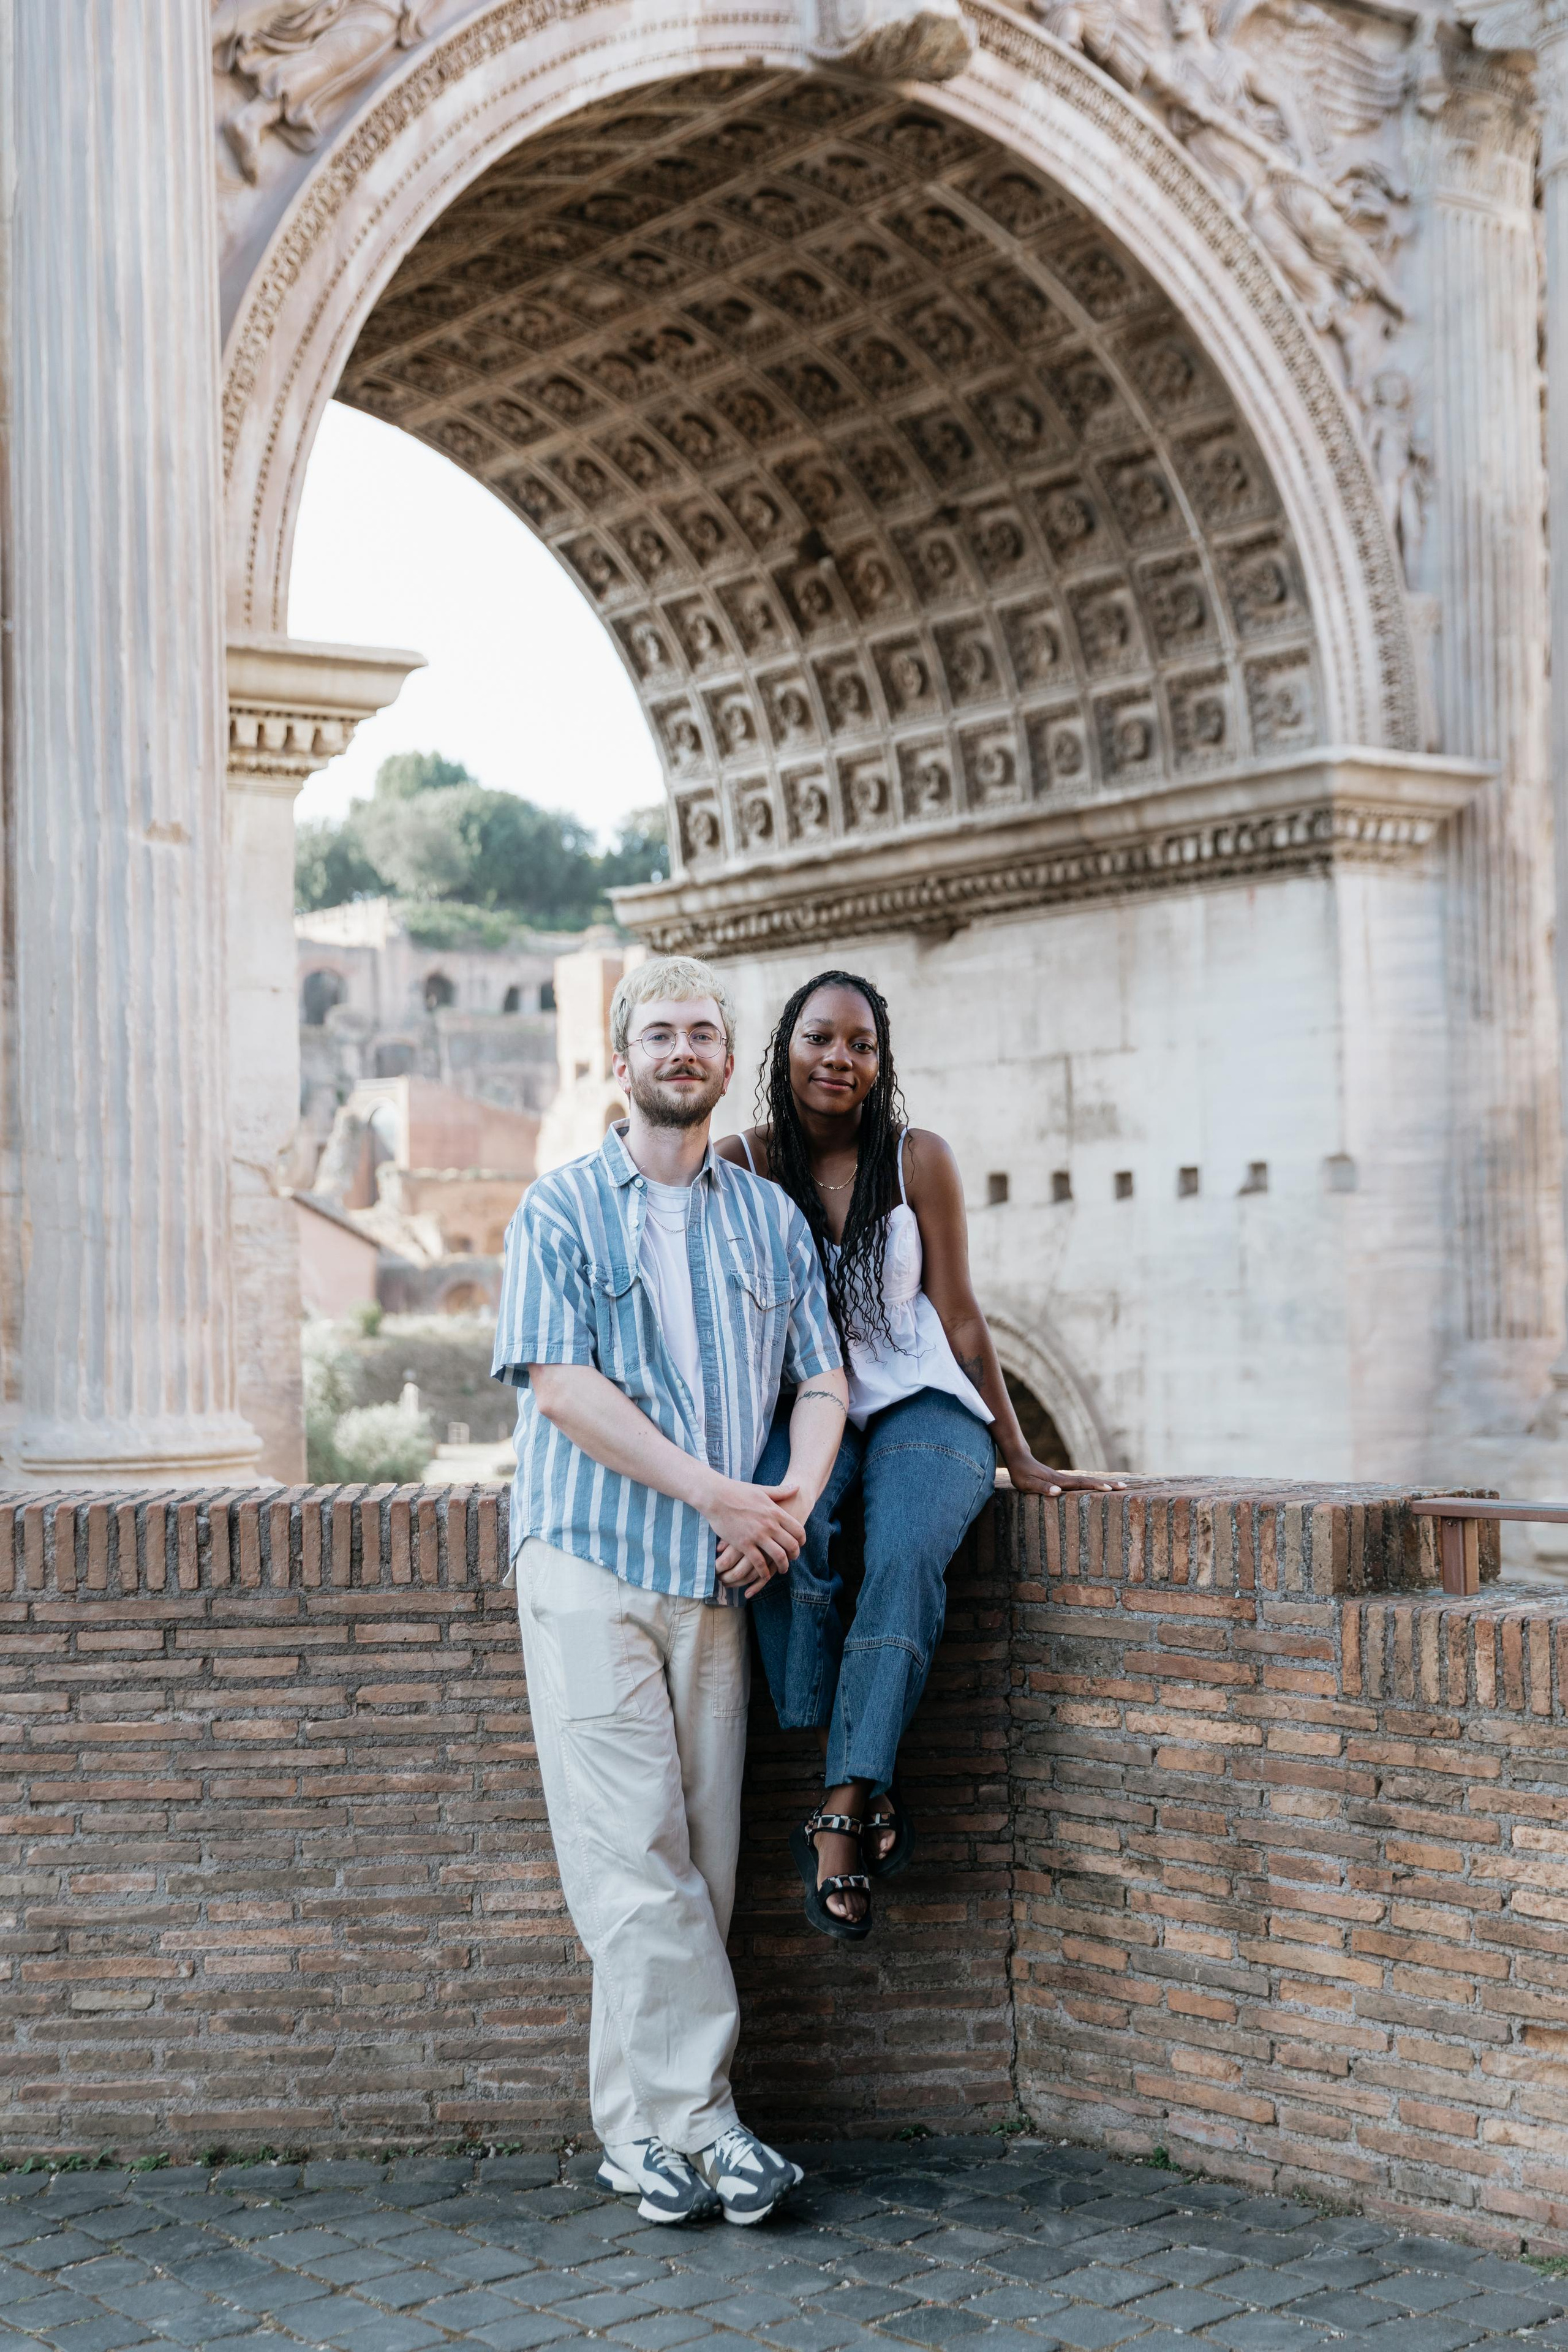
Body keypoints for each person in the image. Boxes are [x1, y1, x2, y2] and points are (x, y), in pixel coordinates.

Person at [492, 954, 849, 2222]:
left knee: (686, 1862)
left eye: (703, 1031)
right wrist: (714, 1493)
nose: (682, 1049)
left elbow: (821, 1384)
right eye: (660, 1031)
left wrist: (784, 1508)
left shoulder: (766, 1222)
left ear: (722, 1055)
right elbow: (560, 1387)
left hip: (717, 1575)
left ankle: (637, 2140)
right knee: (633, 1861)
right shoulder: (557, 1211)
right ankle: (709, 2122)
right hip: (588, 1559)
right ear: (621, 1054)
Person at [718, 970, 1121, 1940]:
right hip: (809, 1407)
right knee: (792, 1533)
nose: (840, 1060)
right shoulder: (741, 1163)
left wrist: (1019, 1456)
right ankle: (851, 1748)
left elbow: (962, 1317)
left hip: (927, 1404)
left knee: (904, 1551)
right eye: (820, 1039)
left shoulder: (917, 1160)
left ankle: (845, 1806)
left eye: (862, 1045)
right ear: (785, 1049)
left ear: (881, 1062)